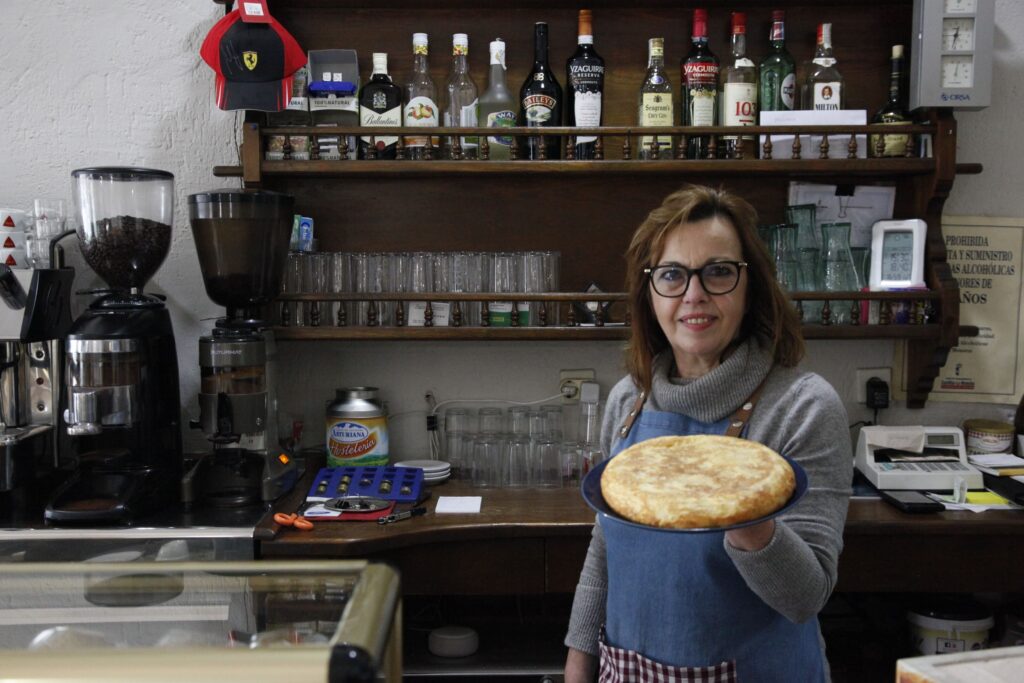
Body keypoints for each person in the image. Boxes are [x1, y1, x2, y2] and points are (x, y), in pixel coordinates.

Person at [564, 184, 851, 682]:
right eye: (672, 275)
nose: (694, 295)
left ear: (751, 284)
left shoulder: (803, 406)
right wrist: (577, 666)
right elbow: (604, 553)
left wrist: (740, 507)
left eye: (718, 271)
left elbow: (806, 597)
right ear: (648, 292)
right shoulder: (627, 401)